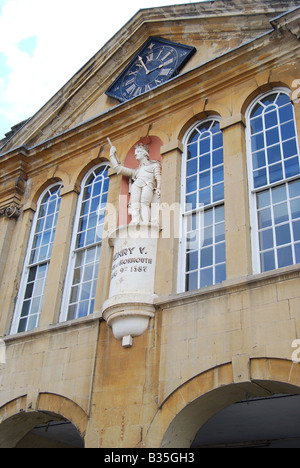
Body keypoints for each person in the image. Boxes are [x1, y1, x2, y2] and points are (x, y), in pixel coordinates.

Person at [109, 142, 161, 225]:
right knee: (135, 204)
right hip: (136, 185)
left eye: (138, 152)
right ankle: (135, 221)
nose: (135, 154)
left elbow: (158, 177)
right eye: (135, 152)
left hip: (148, 184)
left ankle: (145, 223)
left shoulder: (154, 165)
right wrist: (111, 155)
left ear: (145, 153)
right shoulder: (136, 171)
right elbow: (118, 168)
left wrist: (158, 188)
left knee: (144, 203)